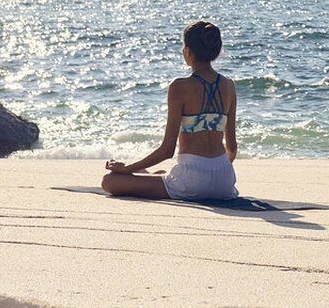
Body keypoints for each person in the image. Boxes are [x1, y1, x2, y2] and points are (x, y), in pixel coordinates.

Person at [102, 20, 238, 201]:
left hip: (191, 179)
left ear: (188, 51)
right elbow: (232, 148)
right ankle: (151, 175)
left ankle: (147, 175)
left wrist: (127, 169)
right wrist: (214, 172)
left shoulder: (179, 87)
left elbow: (167, 150)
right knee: (159, 173)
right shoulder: (229, 85)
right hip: (225, 179)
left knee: (109, 181)